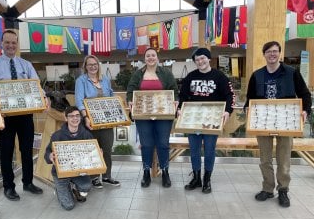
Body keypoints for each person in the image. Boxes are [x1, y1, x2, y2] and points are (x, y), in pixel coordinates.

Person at [244, 41, 312, 207]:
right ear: (264, 54)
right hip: (263, 121)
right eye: (269, 52)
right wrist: (248, 109)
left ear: (279, 54)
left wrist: (306, 110)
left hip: (286, 120)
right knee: (265, 158)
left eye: (275, 51)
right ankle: (268, 188)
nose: (272, 54)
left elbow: (304, 94)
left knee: (284, 158)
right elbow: (250, 97)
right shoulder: (257, 75)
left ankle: (283, 190)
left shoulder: (291, 72)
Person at [0, 29, 43, 201]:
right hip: (5, 118)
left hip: (25, 115)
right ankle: (9, 187)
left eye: (14, 42)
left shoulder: (26, 65)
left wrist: (43, 98)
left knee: (27, 149)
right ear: (2, 43)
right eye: (7, 42)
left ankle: (28, 182)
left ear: (17, 44)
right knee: (6, 152)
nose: (11, 45)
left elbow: (36, 86)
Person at [179, 48, 235, 194]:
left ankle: (207, 179)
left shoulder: (219, 76)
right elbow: (183, 97)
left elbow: (230, 96)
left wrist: (228, 111)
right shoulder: (190, 77)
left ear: (209, 59)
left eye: (203, 58)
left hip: (212, 120)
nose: (200, 62)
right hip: (193, 120)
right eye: (197, 60)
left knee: (209, 151)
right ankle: (196, 178)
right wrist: (179, 109)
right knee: (194, 151)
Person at [126, 47, 178, 188]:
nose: (150, 58)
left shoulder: (166, 73)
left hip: (163, 115)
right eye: (148, 56)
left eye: (153, 55)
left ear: (157, 57)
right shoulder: (138, 74)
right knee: (147, 144)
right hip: (143, 115)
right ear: (145, 59)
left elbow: (174, 90)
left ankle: (165, 171)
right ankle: (146, 172)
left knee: (163, 143)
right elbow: (130, 91)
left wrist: (175, 101)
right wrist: (130, 101)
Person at [75, 55, 120, 188]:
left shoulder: (105, 79)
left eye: (95, 64)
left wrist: (117, 109)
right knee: (93, 149)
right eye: (90, 64)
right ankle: (94, 178)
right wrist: (85, 117)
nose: (93, 67)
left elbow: (111, 96)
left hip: (106, 120)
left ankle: (107, 176)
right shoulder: (81, 80)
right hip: (90, 121)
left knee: (107, 148)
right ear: (85, 67)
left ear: (98, 65)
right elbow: (79, 100)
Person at [44, 106, 93, 210]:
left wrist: (97, 153)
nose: (75, 118)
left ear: (80, 117)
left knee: (86, 186)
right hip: (61, 173)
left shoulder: (86, 134)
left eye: (77, 116)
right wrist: (50, 156)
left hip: (79, 170)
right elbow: (47, 152)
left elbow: (92, 150)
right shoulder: (57, 135)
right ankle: (60, 189)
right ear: (66, 118)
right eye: (71, 116)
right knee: (69, 206)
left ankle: (74, 188)